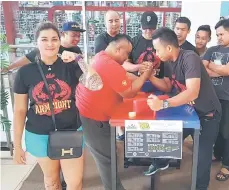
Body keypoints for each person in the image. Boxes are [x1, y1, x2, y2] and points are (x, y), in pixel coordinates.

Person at [144, 27, 221, 190]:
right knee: (168, 139)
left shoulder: (190, 58)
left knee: (201, 157)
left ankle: (200, 187)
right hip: (190, 111)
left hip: (208, 114)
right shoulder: (168, 62)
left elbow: (192, 92)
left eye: (158, 50)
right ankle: (161, 162)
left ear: (169, 48)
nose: (157, 54)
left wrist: (163, 104)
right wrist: (149, 75)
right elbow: (166, 86)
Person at [76, 35, 153, 190]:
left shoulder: (102, 56)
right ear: (118, 49)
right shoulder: (108, 64)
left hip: (94, 114)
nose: (127, 58)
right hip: (93, 118)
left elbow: (124, 76)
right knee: (106, 160)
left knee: (109, 155)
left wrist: (140, 73)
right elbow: (129, 93)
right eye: (126, 54)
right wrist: (146, 74)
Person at [13, 22, 84, 190]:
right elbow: (20, 110)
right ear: (36, 42)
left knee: (74, 183)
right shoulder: (25, 72)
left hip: (70, 131)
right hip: (39, 134)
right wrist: (17, 146)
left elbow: (96, 84)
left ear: (60, 41)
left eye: (54, 39)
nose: (50, 44)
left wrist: (79, 59)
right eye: (44, 39)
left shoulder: (72, 66)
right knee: (51, 181)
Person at [202, 19, 229, 181]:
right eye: (217, 35)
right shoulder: (212, 49)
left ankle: (227, 164)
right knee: (214, 129)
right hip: (213, 98)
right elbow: (203, 68)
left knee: (227, 131)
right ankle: (217, 154)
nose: (219, 37)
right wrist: (221, 70)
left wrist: (216, 69)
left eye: (222, 34)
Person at [95, 10, 131, 141]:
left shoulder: (124, 38)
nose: (114, 24)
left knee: (122, 104)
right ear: (105, 23)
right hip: (106, 82)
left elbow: (127, 61)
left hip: (122, 77)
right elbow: (107, 65)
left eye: (116, 20)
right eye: (110, 21)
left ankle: (121, 130)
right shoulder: (101, 39)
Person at [2, 21, 85, 72]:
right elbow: (27, 58)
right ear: (63, 34)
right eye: (73, 35)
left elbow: (82, 69)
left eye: (79, 35)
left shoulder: (76, 49)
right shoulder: (49, 48)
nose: (77, 38)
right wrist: (8, 68)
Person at [123, 11, 163, 78]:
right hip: (137, 80)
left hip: (158, 81)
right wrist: (137, 67)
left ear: (156, 26)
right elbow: (123, 63)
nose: (148, 31)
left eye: (151, 28)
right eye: (145, 28)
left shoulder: (162, 42)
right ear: (141, 26)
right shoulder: (133, 42)